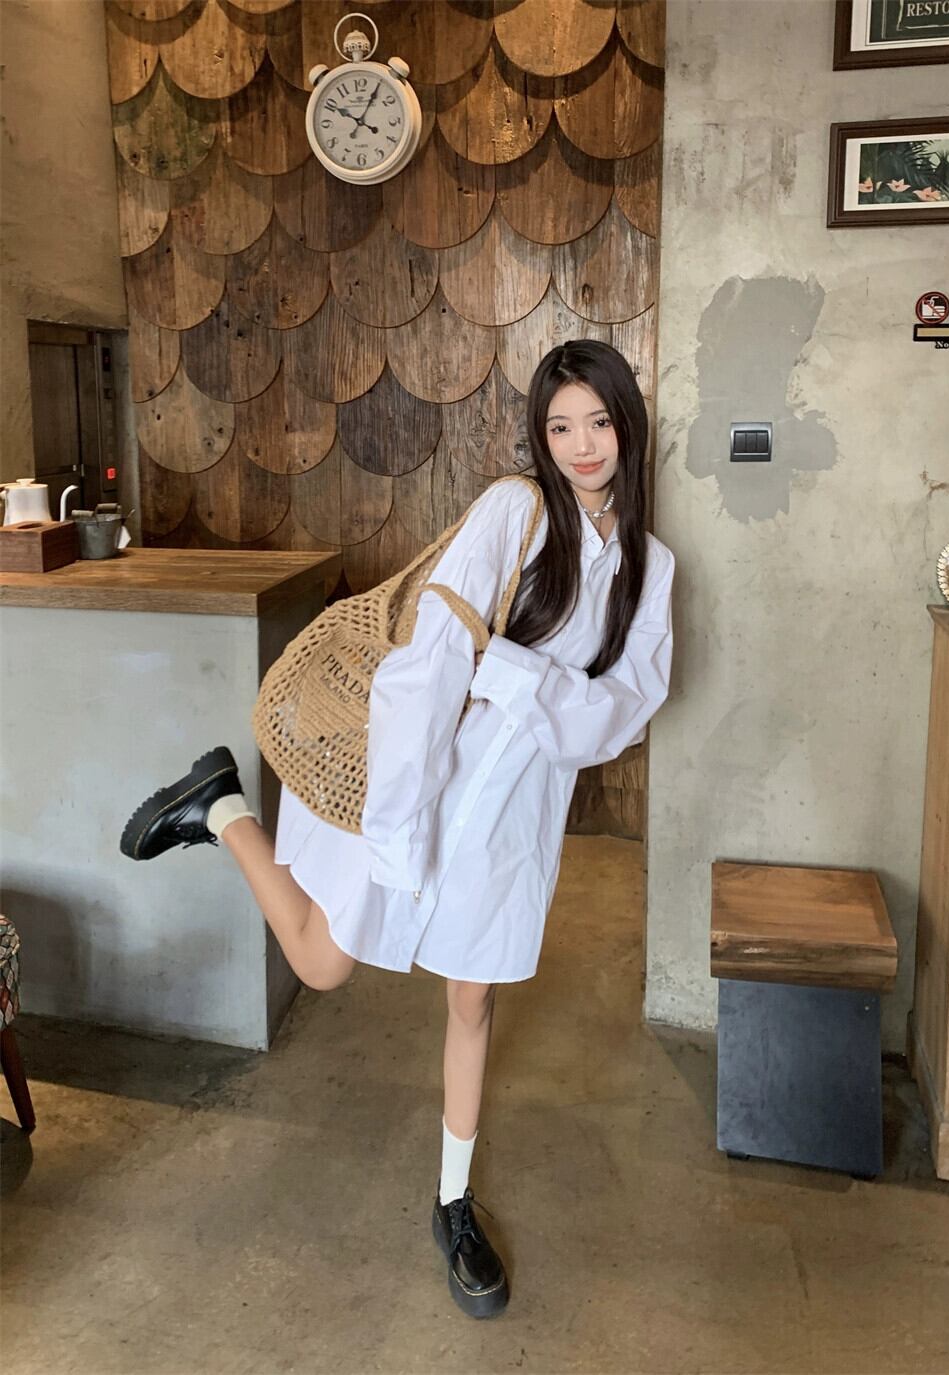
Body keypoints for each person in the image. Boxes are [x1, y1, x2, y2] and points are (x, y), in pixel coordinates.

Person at [120, 338, 676, 1321]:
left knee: (473, 997)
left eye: (598, 421)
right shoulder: (516, 511)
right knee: (324, 963)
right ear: (540, 436)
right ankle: (223, 808)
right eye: (560, 426)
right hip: (409, 778)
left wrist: (512, 674)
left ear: (628, 423)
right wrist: (399, 828)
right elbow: (429, 669)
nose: (582, 445)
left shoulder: (651, 568)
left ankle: (453, 1203)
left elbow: (620, 716)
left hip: (515, 821)